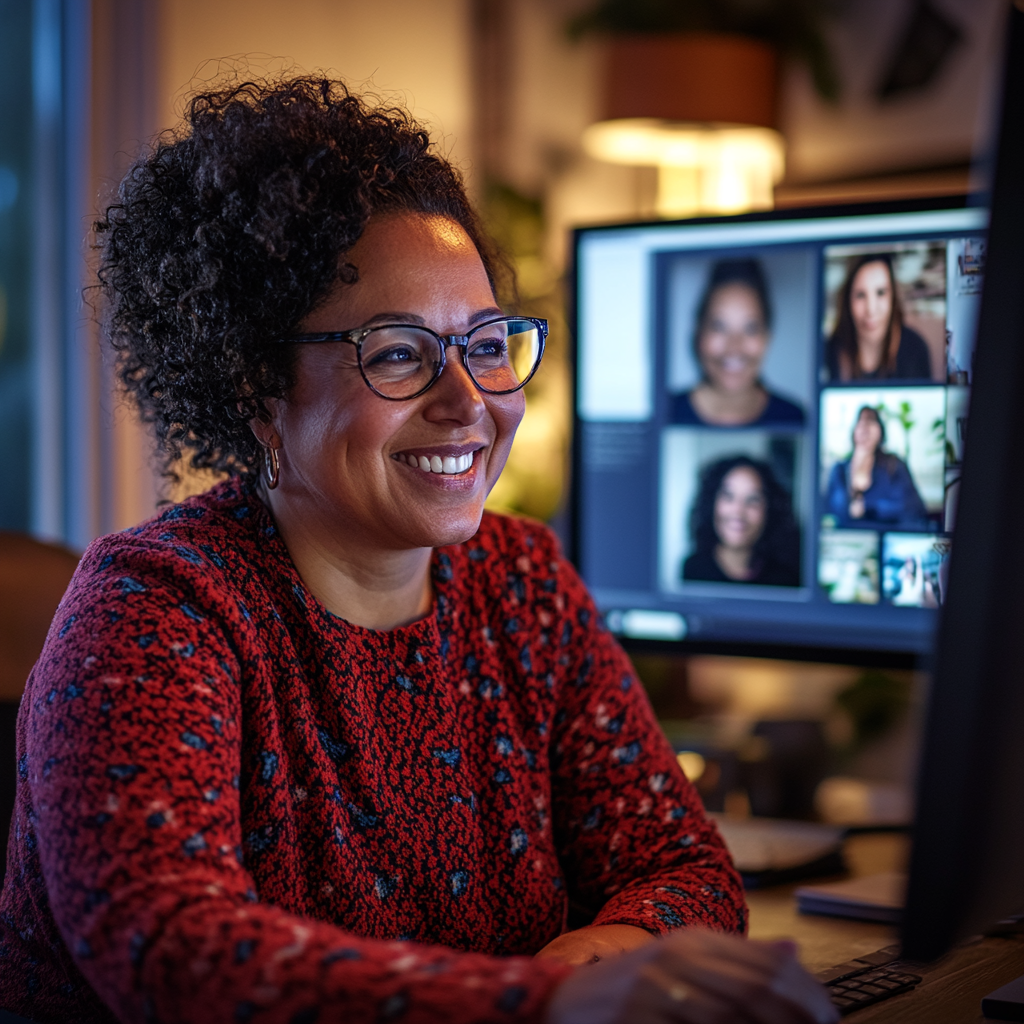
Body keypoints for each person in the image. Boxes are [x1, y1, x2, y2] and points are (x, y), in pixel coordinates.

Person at [0, 78, 836, 1024]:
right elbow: (172, 954)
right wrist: (550, 1003)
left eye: (486, 342)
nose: (469, 400)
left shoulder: (522, 582)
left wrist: (611, 961)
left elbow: (680, 865)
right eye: (398, 353)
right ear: (256, 388)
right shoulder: (156, 608)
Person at [669, 259, 805, 427]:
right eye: (719, 327)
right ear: (699, 333)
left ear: (767, 337)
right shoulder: (665, 411)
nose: (734, 347)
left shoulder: (795, 417)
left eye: (750, 329)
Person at [682, 455, 801, 587]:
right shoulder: (692, 572)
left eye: (752, 500)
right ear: (711, 503)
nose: (738, 511)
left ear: (769, 509)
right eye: (728, 496)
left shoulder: (785, 580)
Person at [825, 253, 933, 381]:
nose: (870, 310)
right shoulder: (828, 351)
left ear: (893, 298)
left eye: (881, 293)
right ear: (847, 300)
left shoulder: (915, 348)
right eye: (860, 295)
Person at [825, 406, 928, 529]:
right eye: (861, 424)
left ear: (880, 432)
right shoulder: (839, 470)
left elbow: (912, 508)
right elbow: (829, 512)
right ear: (854, 431)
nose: (865, 429)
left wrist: (868, 507)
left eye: (871, 423)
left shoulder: (894, 465)